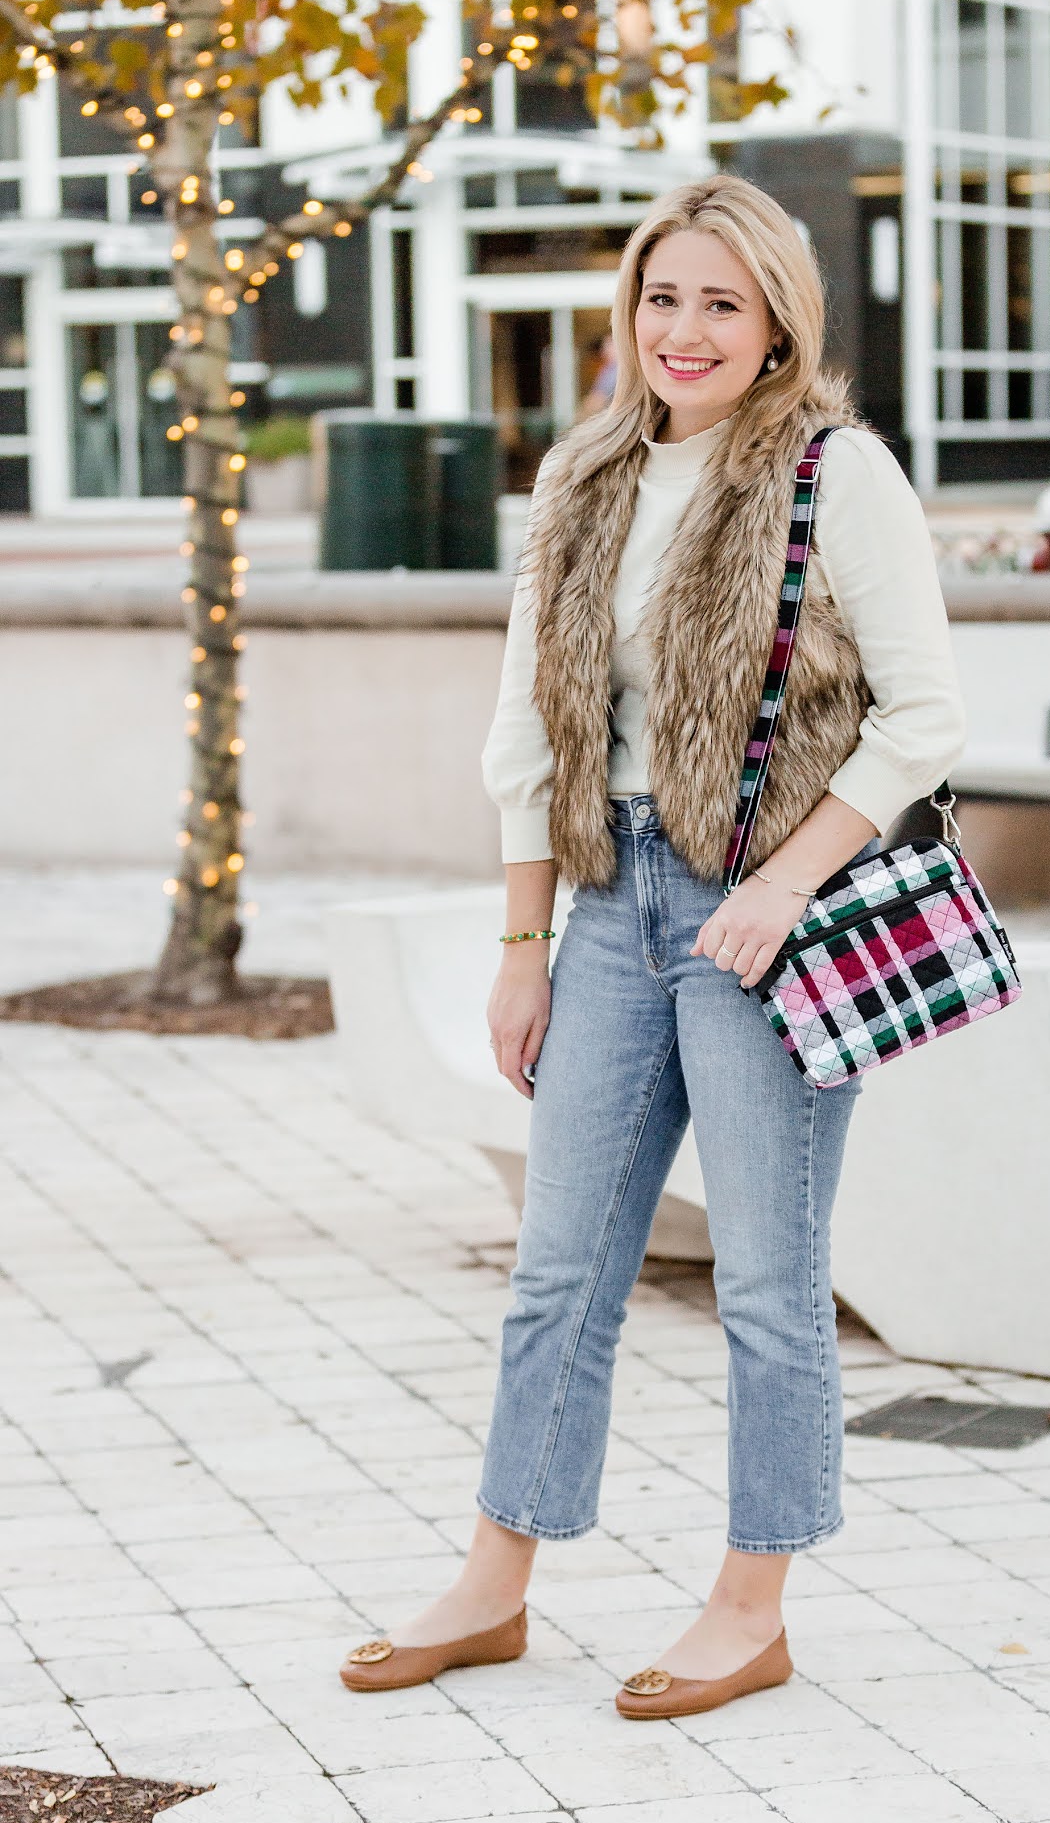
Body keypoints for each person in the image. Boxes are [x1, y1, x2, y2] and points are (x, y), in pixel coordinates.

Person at [340, 174, 965, 1719]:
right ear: (627, 311)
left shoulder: (834, 471)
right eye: (660, 297)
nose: (682, 329)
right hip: (610, 905)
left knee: (765, 1281)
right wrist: (522, 942)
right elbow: (524, 728)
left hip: (769, 921)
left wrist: (783, 886)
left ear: (776, 326)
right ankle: (494, 1586)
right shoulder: (583, 474)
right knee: (557, 1272)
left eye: (719, 304)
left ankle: (749, 1609)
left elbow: (925, 717)